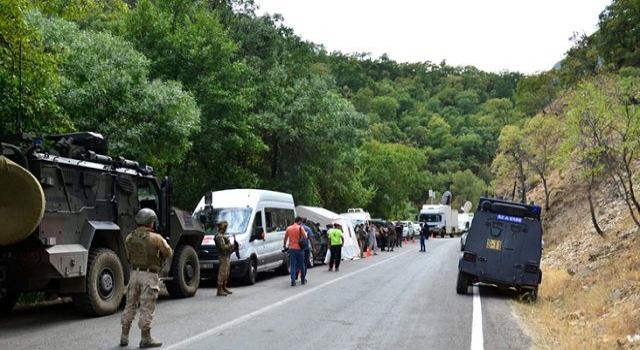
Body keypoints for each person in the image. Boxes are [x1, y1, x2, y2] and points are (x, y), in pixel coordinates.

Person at [120, 208, 173, 348]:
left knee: (130, 305)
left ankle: (124, 336)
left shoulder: (129, 237)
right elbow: (168, 253)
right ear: (150, 222)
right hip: (149, 275)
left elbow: (128, 255)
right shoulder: (156, 238)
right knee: (146, 307)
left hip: (134, 275)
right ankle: (145, 338)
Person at [214, 220, 236, 296]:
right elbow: (223, 247)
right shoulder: (219, 236)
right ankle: (219, 289)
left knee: (226, 273)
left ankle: (224, 287)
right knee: (222, 273)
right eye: (225, 227)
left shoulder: (222, 236)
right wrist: (231, 245)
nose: (226, 229)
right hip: (223, 256)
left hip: (226, 256)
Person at [283, 216, 307, 286]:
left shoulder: (289, 228)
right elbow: (305, 236)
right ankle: (302, 279)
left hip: (292, 248)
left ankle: (293, 280)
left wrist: (284, 245)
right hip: (299, 249)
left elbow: (285, 238)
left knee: (293, 265)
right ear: (299, 221)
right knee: (302, 264)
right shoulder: (300, 228)